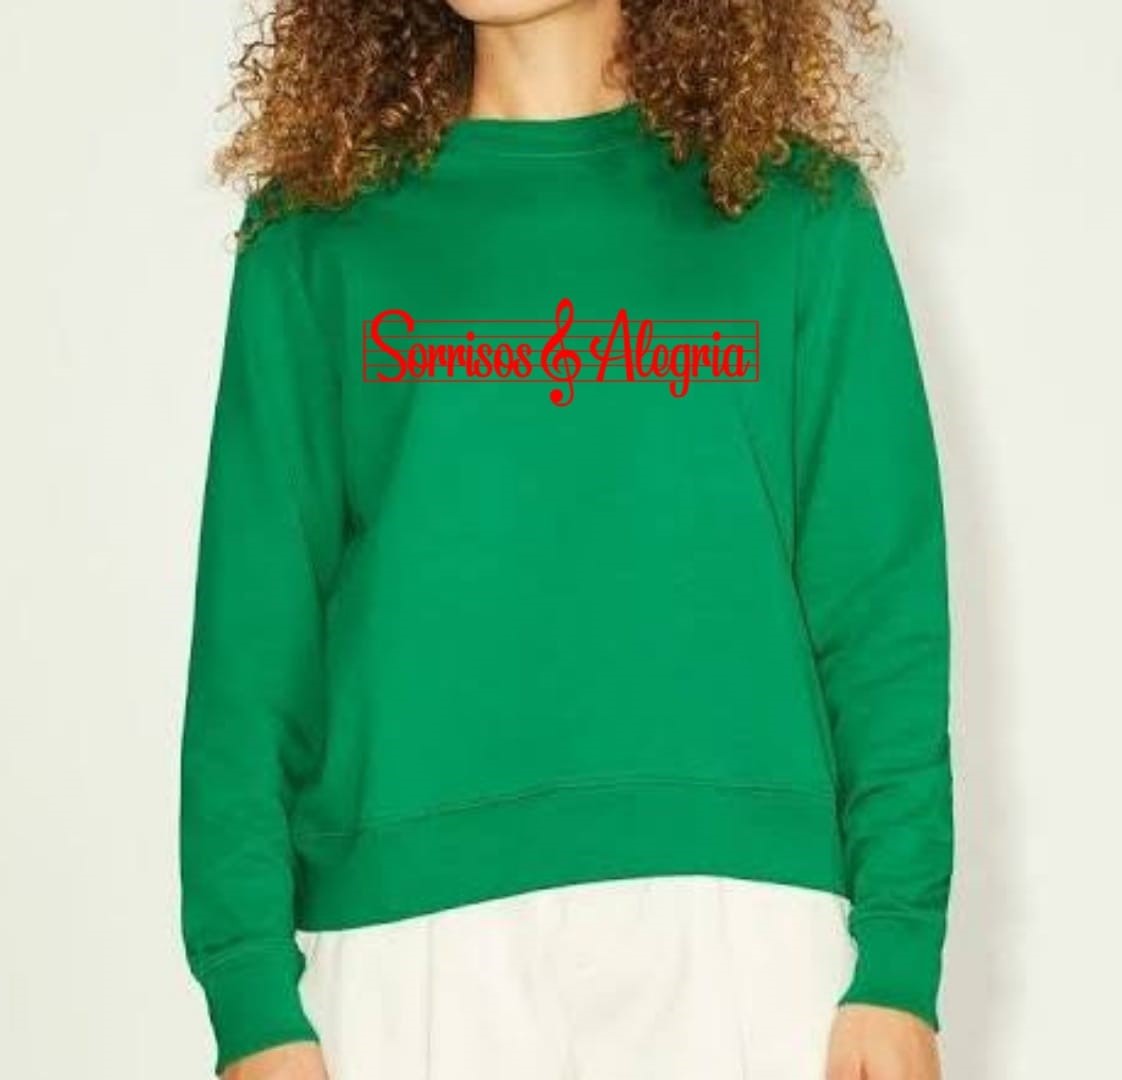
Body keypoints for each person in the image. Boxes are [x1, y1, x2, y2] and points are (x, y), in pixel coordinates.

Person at [178, 1, 954, 1078]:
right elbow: (251, 644)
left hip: (744, 930)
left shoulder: (797, 213)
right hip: (410, 944)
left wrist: (899, 959)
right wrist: (250, 995)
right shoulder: (317, 232)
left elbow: (882, 619)